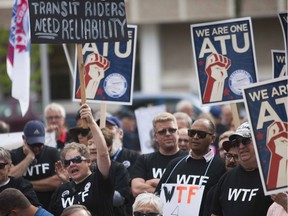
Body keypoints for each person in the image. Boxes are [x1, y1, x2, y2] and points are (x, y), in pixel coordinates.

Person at [49, 103, 114, 216]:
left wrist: (91, 122)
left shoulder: (98, 181)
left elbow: (103, 154)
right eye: (67, 162)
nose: (72, 164)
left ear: (88, 161)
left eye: (77, 159)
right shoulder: (61, 190)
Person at [155, 118, 226, 215]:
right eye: (192, 133)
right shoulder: (175, 164)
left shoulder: (221, 166)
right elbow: (157, 196)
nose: (195, 137)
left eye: (201, 134)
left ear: (212, 138)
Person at [211, 122, 273, 216]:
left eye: (245, 141)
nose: (241, 146)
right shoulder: (226, 178)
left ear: (260, 142)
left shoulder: (273, 176)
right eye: (236, 143)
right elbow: (215, 213)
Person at [131, 112, 187, 197]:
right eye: (162, 132)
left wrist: (154, 183)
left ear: (178, 133)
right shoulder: (144, 160)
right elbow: (136, 189)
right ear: (155, 137)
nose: (168, 134)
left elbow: (193, 190)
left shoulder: (189, 159)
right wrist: (173, 190)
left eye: (172, 130)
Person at [9, 120, 61, 209]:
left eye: (39, 144)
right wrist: (29, 157)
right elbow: (10, 178)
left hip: (50, 206)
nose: (36, 148)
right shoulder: (14, 155)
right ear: (24, 138)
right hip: (24, 209)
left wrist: (25, 185)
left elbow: (57, 181)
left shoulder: (52, 152)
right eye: (32, 144)